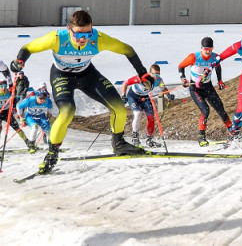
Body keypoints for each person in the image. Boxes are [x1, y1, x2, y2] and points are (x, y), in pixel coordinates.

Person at [10, 9, 154, 174]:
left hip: (88, 75)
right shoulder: (57, 38)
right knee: (67, 112)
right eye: (79, 34)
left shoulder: (98, 39)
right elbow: (28, 47)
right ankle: (52, 154)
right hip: (62, 76)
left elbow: (127, 49)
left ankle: (119, 144)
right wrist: (19, 61)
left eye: (88, 33)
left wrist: (143, 73)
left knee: (119, 108)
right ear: (69, 29)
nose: (84, 39)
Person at [178, 37, 233, 146]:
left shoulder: (214, 57)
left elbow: (218, 67)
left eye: (210, 49)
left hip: (207, 86)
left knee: (220, 109)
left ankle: (233, 132)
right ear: (201, 48)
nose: (207, 51)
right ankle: (201, 137)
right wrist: (183, 79)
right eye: (205, 49)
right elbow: (180, 66)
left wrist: (220, 81)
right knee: (206, 110)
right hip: (195, 88)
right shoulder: (193, 57)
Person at [121, 64, 172, 147]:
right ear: (149, 73)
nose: (156, 77)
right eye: (154, 74)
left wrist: (169, 95)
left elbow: (163, 88)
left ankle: (149, 139)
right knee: (137, 113)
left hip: (145, 97)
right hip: (133, 96)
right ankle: (135, 138)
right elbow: (125, 83)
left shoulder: (159, 80)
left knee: (151, 117)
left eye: (158, 74)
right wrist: (124, 95)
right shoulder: (141, 78)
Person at [0, 74, 34, 150]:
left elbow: (14, 99)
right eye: (1, 86)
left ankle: (27, 142)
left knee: (17, 128)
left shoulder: (9, 92)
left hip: (7, 112)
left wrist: (14, 107)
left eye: (5, 86)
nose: (3, 88)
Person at [16, 87, 54, 152]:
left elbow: (50, 110)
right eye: (41, 98)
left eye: (44, 98)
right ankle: (31, 145)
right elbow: (19, 106)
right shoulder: (30, 100)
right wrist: (21, 118)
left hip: (41, 116)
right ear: (36, 96)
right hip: (30, 116)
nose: (42, 100)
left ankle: (51, 146)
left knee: (48, 128)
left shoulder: (48, 101)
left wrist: (48, 118)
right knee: (35, 127)